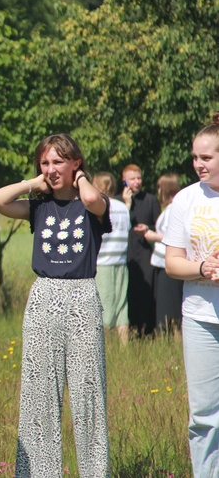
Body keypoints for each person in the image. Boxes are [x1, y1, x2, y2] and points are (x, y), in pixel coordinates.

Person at [0, 134, 110, 477]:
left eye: (58, 162)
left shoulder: (94, 204)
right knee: (39, 394)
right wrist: (33, 183)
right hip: (43, 296)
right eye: (45, 162)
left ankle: (95, 472)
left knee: (89, 394)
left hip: (83, 295)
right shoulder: (38, 207)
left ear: (75, 163)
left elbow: (90, 197)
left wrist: (80, 177)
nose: (51, 169)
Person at [163, 113, 219, 476]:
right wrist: (203, 268)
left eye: (207, 158)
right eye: (195, 157)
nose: (198, 164)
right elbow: (172, 263)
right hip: (200, 316)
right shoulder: (185, 200)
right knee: (204, 415)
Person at [120, 164, 161, 335]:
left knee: (146, 291)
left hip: (145, 252)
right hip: (127, 253)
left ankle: (147, 329)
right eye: (132, 179)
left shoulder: (150, 199)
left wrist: (148, 227)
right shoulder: (118, 201)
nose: (137, 182)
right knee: (128, 291)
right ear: (124, 181)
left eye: (139, 178)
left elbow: (159, 226)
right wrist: (126, 205)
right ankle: (130, 327)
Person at [92, 172, 131, 345]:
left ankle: (105, 346)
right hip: (121, 263)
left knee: (104, 307)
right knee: (122, 306)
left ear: (100, 188)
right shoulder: (123, 207)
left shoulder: (100, 207)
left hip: (103, 263)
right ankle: (124, 346)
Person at [144, 173, 183, 336]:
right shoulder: (170, 208)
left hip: (167, 263)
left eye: (159, 188)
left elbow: (171, 235)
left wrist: (152, 236)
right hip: (162, 263)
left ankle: (169, 335)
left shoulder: (173, 209)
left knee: (168, 306)